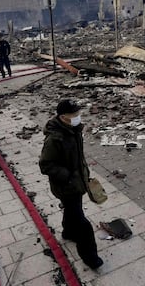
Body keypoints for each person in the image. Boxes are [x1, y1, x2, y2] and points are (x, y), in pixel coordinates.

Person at [39, 99, 103, 270]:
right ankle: (90, 257)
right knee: (83, 224)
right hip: (66, 186)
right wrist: (68, 176)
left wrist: (83, 174)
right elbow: (45, 165)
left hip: (77, 182)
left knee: (72, 209)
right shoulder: (55, 139)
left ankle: (68, 232)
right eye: (74, 115)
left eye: (78, 114)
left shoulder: (74, 130)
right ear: (62, 117)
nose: (77, 117)